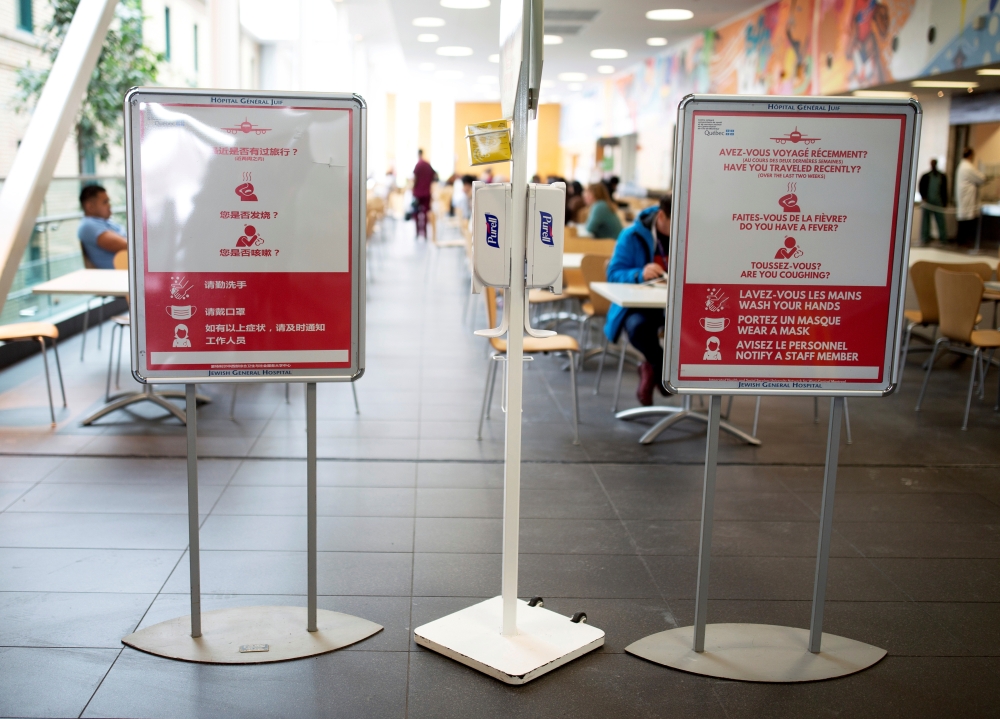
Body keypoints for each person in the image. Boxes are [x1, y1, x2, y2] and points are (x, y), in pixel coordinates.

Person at [604, 195, 671, 406]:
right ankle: (662, 370)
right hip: (640, 305)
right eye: (675, 222)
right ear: (661, 216)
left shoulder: (692, 236)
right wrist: (639, 273)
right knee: (638, 328)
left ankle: (652, 368)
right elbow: (613, 273)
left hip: (678, 307)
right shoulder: (631, 235)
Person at [77, 184, 127, 269]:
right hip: (117, 275)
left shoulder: (105, 222)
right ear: (90, 207)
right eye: (105, 202)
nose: (109, 205)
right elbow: (127, 245)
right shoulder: (88, 226)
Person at [956, 148, 986, 246]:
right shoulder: (967, 166)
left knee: (964, 219)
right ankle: (964, 241)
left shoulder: (962, 166)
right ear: (970, 155)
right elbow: (981, 178)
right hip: (967, 198)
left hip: (964, 197)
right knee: (966, 220)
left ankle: (962, 240)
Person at [919, 158, 948, 245]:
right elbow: (921, 187)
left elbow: (945, 190)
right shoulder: (926, 176)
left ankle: (943, 238)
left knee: (941, 221)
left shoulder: (942, 176)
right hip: (928, 201)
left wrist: (944, 201)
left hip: (938, 201)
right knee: (926, 221)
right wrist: (923, 197)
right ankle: (925, 238)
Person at [412, 149, 435, 239]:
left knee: (416, 213)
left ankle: (417, 232)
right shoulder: (427, 164)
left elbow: (415, 179)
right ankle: (425, 232)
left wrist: (413, 188)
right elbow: (434, 176)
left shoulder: (418, 165)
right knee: (425, 212)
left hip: (418, 193)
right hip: (427, 193)